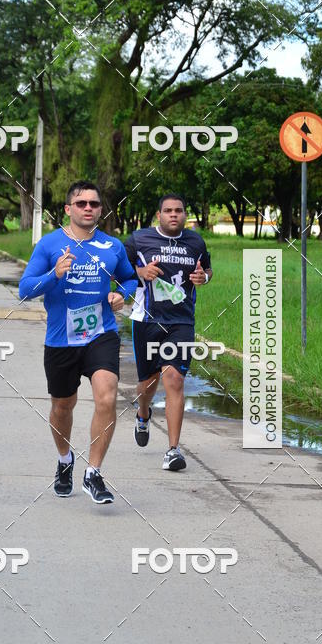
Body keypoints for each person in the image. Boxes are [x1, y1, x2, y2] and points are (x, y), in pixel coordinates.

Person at [19, 180, 137, 504]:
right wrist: (53, 275)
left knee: (107, 397)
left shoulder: (112, 246)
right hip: (61, 339)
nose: (88, 208)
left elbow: (130, 279)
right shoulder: (49, 245)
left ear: (100, 209)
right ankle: (64, 460)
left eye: (94, 204)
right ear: (68, 209)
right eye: (81, 203)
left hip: (101, 334)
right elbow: (25, 290)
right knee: (62, 406)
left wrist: (120, 295)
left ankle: (94, 473)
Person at [125, 194, 212, 471]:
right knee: (148, 383)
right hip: (147, 319)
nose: (173, 215)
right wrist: (141, 271)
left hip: (181, 321)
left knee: (174, 379)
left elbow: (207, 269)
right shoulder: (139, 240)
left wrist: (204, 278)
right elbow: (120, 271)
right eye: (168, 211)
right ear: (158, 215)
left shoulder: (195, 241)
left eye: (179, 211)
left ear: (185, 214)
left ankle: (173, 450)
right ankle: (143, 413)